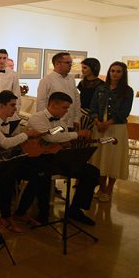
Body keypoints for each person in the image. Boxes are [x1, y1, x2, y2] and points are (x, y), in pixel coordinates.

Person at [27, 91, 99, 225]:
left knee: (92, 172)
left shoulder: (61, 122)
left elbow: (62, 139)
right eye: (64, 107)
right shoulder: (37, 118)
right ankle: (43, 212)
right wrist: (77, 134)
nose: (66, 111)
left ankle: (75, 209)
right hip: (39, 158)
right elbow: (49, 137)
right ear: (53, 105)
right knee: (44, 173)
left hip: (58, 156)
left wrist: (67, 141)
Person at [0, 90, 47, 232]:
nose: (15, 108)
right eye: (12, 105)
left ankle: (21, 212)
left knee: (39, 175)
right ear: (1, 105)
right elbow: (5, 143)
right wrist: (26, 134)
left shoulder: (11, 119)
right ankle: (5, 216)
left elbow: (15, 142)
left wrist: (31, 138)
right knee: (7, 179)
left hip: (7, 159)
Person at [89, 61, 133, 203]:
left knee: (113, 158)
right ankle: (101, 188)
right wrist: (97, 121)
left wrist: (107, 123)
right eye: (112, 70)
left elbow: (124, 112)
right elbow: (93, 107)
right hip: (99, 128)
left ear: (123, 74)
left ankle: (109, 189)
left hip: (116, 129)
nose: (114, 73)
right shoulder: (101, 88)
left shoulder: (127, 91)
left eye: (118, 71)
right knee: (100, 158)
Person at [37, 52, 80, 129]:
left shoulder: (71, 79)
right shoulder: (47, 80)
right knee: (56, 137)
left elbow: (76, 99)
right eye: (67, 63)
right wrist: (45, 121)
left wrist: (76, 118)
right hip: (55, 123)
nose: (70, 65)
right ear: (57, 64)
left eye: (71, 63)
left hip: (70, 122)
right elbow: (41, 102)